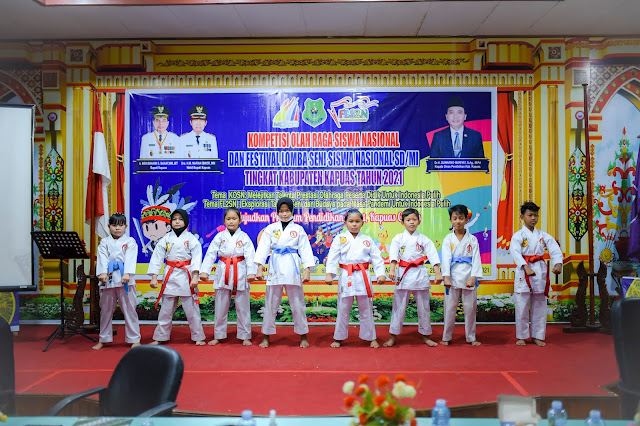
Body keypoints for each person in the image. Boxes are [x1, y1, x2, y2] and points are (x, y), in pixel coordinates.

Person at [254, 197, 315, 348]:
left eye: (287, 211)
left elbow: (305, 250)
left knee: (297, 303)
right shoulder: (271, 228)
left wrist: (307, 270)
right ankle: (266, 336)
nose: (284, 214)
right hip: (275, 265)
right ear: (277, 212)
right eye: (281, 211)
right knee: (270, 303)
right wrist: (260, 267)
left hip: (292, 265)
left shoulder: (298, 229)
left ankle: (303, 335)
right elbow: (263, 248)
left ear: (292, 211)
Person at [325, 209, 386, 348]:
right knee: (343, 309)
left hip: (362, 277)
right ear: (345, 223)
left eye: (357, 221)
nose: (354, 224)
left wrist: (380, 273)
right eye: (351, 221)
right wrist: (329, 273)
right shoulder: (340, 238)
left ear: (362, 223)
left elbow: (377, 258)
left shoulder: (367, 240)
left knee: (366, 308)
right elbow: (333, 256)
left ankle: (371, 337)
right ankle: (338, 337)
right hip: (346, 276)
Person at [384, 208, 442, 347]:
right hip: (403, 273)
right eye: (408, 220)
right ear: (402, 222)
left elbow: (433, 255)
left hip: (420, 273)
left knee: (424, 307)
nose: (411, 222)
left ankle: (426, 335)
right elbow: (393, 255)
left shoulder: (423, 239)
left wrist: (437, 273)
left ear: (419, 221)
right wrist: (392, 269)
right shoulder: (398, 238)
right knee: (398, 306)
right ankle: (393, 336)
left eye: (414, 219)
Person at [148, 209, 206, 345]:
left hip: (187, 276)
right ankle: (160, 337)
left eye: (180, 219)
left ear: (186, 222)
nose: (177, 222)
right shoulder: (165, 239)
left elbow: (197, 259)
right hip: (170, 275)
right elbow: (157, 258)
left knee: (192, 311)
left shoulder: (192, 239)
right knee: (166, 311)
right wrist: (154, 277)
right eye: (174, 219)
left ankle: (198, 337)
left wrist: (195, 276)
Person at [200, 207, 256, 346]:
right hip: (223, 270)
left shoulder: (244, 237)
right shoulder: (219, 236)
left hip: (240, 270)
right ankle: (218, 335)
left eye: (234, 219)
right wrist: (205, 271)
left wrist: (251, 272)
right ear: (224, 221)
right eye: (228, 219)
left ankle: (245, 335)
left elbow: (250, 255)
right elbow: (211, 253)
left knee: (243, 306)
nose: (231, 221)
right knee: (220, 306)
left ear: (240, 220)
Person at [510, 202, 563, 346]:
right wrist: (525, 266)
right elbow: (515, 253)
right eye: (530, 215)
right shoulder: (518, 236)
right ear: (522, 216)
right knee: (522, 305)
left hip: (539, 270)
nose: (533, 218)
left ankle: (537, 335)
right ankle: (521, 336)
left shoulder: (543, 235)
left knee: (540, 305)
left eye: (536, 215)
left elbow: (554, 249)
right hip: (524, 271)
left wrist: (558, 263)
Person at [93, 213, 141, 350]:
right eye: (114, 225)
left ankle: (134, 338)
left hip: (125, 278)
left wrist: (127, 273)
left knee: (130, 309)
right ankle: (104, 338)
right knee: (105, 310)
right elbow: (102, 258)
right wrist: (102, 272)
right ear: (109, 226)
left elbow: (131, 258)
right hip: (108, 278)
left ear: (125, 226)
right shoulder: (104, 242)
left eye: (120, 225)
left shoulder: (130, 241)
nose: (117, 228)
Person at [440, 204, 483, 346]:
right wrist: (446, 277)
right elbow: (446, 258)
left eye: (460, 218)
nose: (457, 221)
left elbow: (476, 259)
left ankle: (471, 337)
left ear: (466, 219)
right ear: (450, 220)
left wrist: (473, 277)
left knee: (470, 309)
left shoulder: (472, 239)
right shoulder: (448, 239)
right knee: (449, 309)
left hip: (468, 276)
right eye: (455, 218)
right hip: (452, 277)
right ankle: (446, 337)